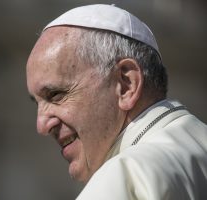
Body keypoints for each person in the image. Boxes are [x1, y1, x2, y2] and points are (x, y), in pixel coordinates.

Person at [26, 4, 207, 199]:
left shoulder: (125, 178)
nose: (41, 126)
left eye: (56, 95)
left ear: (126, 85)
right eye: (37, 104)